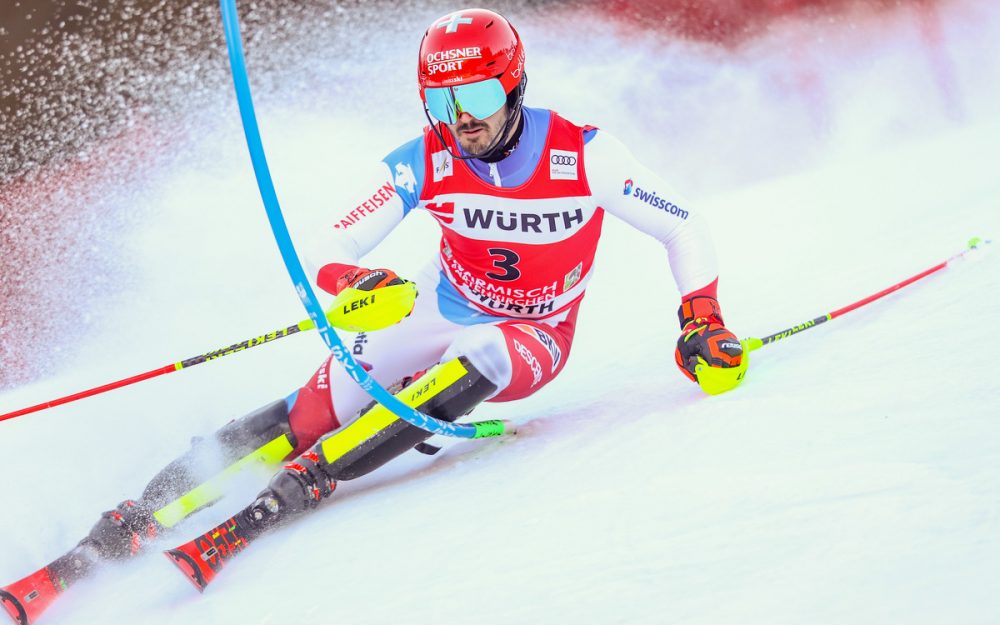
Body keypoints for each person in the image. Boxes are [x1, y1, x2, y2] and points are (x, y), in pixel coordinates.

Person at [36, 6, 744, 589]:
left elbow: (682, 224)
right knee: (310, 409)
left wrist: (700, 318)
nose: (462, 120)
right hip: (444, 304)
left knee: (485, 349)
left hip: (536, 333)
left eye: (479, 98)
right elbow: (329, 245)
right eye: (443, 102)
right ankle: (133, 518)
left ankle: (304, 483)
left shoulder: (585, 155)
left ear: (514, 86)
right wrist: (352, 282)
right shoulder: (424, 160)